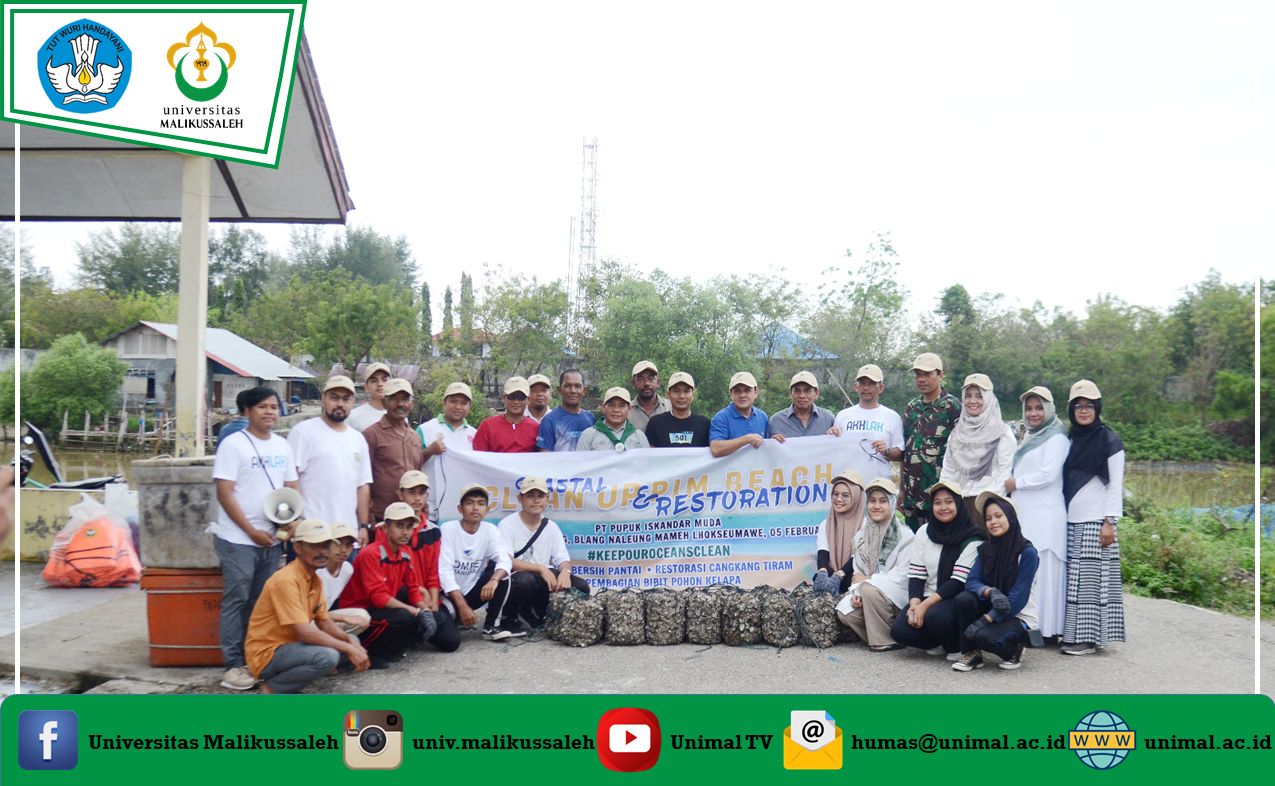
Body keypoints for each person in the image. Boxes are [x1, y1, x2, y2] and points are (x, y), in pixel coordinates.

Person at [211, 386, 300, 691]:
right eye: (262, 407)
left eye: (274, 407)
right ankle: (233, 665)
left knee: (261, 602)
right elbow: (224, 493)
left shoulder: (282, 446)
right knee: (236, 599)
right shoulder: (233, 445)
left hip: (272, 538)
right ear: (246, 411)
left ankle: (256, 658)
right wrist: (251, 532)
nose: (270, 412)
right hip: (238, 538)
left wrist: (289, 523)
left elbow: (291, 488)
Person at [244, 519, 370, 694]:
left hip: (290, 647)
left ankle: (289, 685)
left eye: (326, 546)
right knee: (328, 657)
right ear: (298, 548)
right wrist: (347, 647)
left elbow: (324, 622)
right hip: (267, 653)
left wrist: (349, 642)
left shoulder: (314, 579)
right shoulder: (287, 580)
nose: (322, 552)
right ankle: (272, 688)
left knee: (352, 640)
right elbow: (305, 632)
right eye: (314, 546)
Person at [1060, 380, 1126, 656]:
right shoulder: (1070, 438)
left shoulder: (1109, 440)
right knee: (1073, 581)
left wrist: (1109, 522)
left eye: (1089, 406)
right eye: (1078, 405)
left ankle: (1087, 639)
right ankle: (1072, 634)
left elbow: (1115, 484)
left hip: (1096, 521)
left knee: (1089, 583)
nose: (1083, 411)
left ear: (1097, 408)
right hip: (1070, 519)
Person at [338, 503, 447, 667]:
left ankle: (387, 648)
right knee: (403, 616)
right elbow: (378, 598)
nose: (405, 531)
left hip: (381, 610)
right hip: (360, 611)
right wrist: (417, 612)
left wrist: (424, 610)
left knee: (437, 618)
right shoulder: (371, 553)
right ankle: (369, 651)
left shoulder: (405, 552)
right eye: (399, 525)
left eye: (409, 527)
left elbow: (413, 589)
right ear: (386, 528)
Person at [890, 481, 985, 659]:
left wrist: (924, 607)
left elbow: (957, 582)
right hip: (929, 595)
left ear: (958, 504)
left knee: (936, 616)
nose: (943, 507)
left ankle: (956, 646)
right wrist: (914, 605)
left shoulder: (974, 537)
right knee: (900, 631)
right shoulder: (925, 532)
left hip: (957, 599)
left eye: (949, 502)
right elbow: (917, 574)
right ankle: (938, 641)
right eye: (937, 502)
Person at [1005, 386, 1068, 640]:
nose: (1033, 413)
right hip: (1028, 515)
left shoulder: (1057, 438)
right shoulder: (1032, 436)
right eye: (1029, 408)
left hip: (1046, 515)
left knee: (1045, 572)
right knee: (1030, 571)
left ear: (1050, 409)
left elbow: (1048, 474)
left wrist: (1016, 483)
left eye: (1039, 407)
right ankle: (1032, 627)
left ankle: (1050, 629)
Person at [952, 492, 1039, 671]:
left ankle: (1013, 650)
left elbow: (1018, 598)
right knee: (964, 599)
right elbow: (972, 581)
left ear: (1011, 517)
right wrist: (990, 591)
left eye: (999, 516)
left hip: (1018, 614)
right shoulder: (985, 549)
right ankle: (973, 654)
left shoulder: (1027, 553)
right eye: (988, 518)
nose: (993, 522)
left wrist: (986, 619)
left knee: (984, 637)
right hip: (993, 607)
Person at [287, 375, 372, 543]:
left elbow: (363, 486)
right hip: (310, 535)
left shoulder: (358, 439)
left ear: (352, 402)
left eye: (346, 399)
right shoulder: (303, 432)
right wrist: (298, 519)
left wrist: (363, 526)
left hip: (347, 536)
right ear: (323, 400)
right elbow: (290, 480)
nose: (340, 404)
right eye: (334, 398)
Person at [497, 476, 591, 628]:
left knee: (581, 586)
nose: (536, 500)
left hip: (543, 582)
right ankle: (514, 615)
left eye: (541, 496)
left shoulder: (551, 527)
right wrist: (541, 568)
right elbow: (507, 561)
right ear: (520, 499)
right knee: (525, 581)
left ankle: (549, 617)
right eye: (530, 496)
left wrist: (565, 573)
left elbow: (563, 559)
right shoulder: (507, 524)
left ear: (547, 499)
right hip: (518, 579)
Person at [835, 477, 916, 651]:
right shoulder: (861, 536)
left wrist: (868, 581)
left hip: (899, 595)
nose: (876, 506)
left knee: (868, 589)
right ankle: (889, 635)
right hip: (872, 592)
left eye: (882, 501)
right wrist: (856, 592)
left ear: (892, 503)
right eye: (872, 501)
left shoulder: (905, 535)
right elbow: (858, 572)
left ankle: (884, 639)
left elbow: (902, 576)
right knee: (845, 612)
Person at [438, 484, 518, 640]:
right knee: (450, 640)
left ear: (487, 510)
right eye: (469, 503)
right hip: (449, 596)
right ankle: (457, 617)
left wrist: (494, 580)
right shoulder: (448, 529)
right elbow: (444, 572)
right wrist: (462, 607)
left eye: (481, 503)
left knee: (502, 574)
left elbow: (505, 560)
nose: (475, 508)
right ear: (460, 509)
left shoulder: (489, 530)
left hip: (472, 592)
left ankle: (491, 627)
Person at [395, 470, 462, 652]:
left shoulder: (433, 530)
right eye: (411, 492)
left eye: (422, 492)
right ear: (400, 495)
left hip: (426, 597)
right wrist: (421, 599)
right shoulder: (390, 529)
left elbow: (433, 572)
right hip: (402, 597)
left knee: (451, 642)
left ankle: (418, 628)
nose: (417, 498)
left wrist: (432, 603)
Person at [938, 373, 1016, 529]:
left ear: (988, 399)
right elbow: (948, 472)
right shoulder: (957, 433)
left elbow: (1003, 474)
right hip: (959, 505)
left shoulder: (1002, 433)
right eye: (968, 396)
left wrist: (991, 508)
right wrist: (946, 502)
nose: (972, 401)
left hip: (986, 506)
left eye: (979, 396)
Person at [900, 353, 961, 531]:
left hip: (939, 500)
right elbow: (906, 451)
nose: (921, 379)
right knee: (913, 549)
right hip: (912, 499)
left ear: (940, 376)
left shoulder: (952, 407)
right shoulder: (911, 408)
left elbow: (960, 454)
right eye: (918, 374)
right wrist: (902, 490)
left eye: (927, 374)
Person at [363, 378, 425, 524]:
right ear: (384, 403)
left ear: (412, 404)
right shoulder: (371, 435)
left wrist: (424, 510)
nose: (400, 404)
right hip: (381, 518)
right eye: (394, 399)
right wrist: (368, 517)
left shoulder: (415, 437)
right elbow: (363, 480)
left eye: (405, 399)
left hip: (410, 521)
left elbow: (420, 475)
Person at [416, 381, 477, 521]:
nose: (458, 406)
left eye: (463, 403)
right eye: (453, 401)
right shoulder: (425, 429)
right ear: (444, 403)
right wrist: (430, 451)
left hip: (462, 510)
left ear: (469, 407)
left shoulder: (474, 434)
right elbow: (411, 462)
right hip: (429, 509)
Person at [834, 364, 905, 483]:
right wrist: (831, 436)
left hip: (879, 485)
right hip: (849, 484)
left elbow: (900, 453)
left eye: (872, 383)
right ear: (856, 386)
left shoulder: (892, 417)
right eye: (862, 383)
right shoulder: (842, 416)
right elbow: (835, 451)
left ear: (881, 388)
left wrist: (886, 451)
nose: (866, 387)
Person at [811, 470, 866, 596]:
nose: (839, 499)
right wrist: (822, 573)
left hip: (854, 576)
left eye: (845, 495)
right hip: (834, 575)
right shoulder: (826, 524)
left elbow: (858, 557)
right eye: (835, 494)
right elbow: (823, 550)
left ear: (856, 497)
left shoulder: (866, 525)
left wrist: (839, 575)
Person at [316, 521, 372, 636]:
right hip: (305, 620)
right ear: (327, 545)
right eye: (338, 543)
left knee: (363, 616)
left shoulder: (347, 569)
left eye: (348, 545)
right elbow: (309, 612)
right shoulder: (316, 571)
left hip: (324, 617)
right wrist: (343, 618)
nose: (343, 550)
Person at [710, 372, 784, 457]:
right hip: (732, 470)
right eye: (737, 391)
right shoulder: (721, 418)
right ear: (731, 394)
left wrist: (773, 441)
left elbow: (763, 444)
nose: (742, 395)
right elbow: (715, 448)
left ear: (756, 392)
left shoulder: (762, 416)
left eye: (747, 390)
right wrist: (747, 439)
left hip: (756, 469)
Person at [645, 372, 712, 448]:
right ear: (668, 395)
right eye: (676, 391)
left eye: (686, 391)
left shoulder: (704, 424)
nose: (681, 396)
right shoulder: (655, 423)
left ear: (693, 395)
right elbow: (649, 455)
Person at [473, 377, 540, 453]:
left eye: (521, 397)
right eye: (511, 397)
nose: (516, 401)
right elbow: (477, 457)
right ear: (503, 398)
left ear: (528, 400)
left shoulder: (536, 428)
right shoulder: (487, 426)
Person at [535, 370, 595, 452]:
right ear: (559, 390)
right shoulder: (549, 420)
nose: (573, 390)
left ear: (584, 390)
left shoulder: (590, 418)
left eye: (577, 386)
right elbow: (545, 459)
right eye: (567, 386)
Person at [768, 371, 839, 439]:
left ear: (816, 393)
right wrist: (772, 443)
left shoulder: (828, 419)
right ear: (790, 393)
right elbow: (766, 449)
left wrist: (835, 435)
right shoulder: (776, 421)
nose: (802, 396)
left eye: (807, 391)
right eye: (797, 391)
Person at [577, 388, 651, 451]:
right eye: (611, 405)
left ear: (629, 409)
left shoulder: (639, 437)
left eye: (622, 406)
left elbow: (647, 465)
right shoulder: (588, 435)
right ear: (603, 407)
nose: (616, 410)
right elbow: (580, 465)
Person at [347, 363, 392, 432]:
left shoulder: (398, 416)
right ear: (366, 387)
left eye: (384, 380)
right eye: (374, 381)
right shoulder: (353, 417)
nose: (380, 384)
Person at [627, 360, 671, 431]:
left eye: (651, 379)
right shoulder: (626, 411)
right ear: (633, 384)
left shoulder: (670, 408)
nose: (646, 383)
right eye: (640, 379)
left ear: (658, 382)